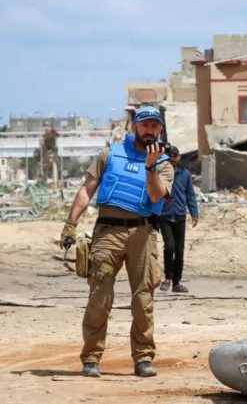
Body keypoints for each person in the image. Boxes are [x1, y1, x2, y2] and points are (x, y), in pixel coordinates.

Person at [60, 106, 174, 378]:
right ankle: (91, 358)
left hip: (143, 234)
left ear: (160, 129)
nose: (149, 130)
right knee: (99, 297)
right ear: (135, 126)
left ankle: (143, 358)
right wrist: (70, 223)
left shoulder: (164, 163)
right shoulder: (109, 153)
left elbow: (156, 195)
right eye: (145, 125)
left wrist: (150, 167)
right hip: (107, 233)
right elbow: (87, 189)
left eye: (154, 126)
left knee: (143, 299)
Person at [158, 146, 199, 293]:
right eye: (170, 156)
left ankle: (176, 283)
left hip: (180, 216)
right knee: (169, 246)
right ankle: (167, 278)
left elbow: (190, 195)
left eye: (175, 156)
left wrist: (194, 213)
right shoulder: (160, 173)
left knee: (179, 251)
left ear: (179, 157)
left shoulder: (185, 174)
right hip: (164, 216)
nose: (172, 158)